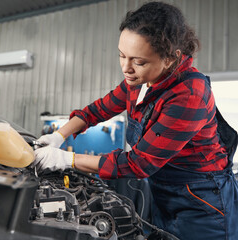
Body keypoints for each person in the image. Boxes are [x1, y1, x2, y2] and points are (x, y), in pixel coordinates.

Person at [33, 2, 238, 239]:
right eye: (122, 56)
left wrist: (67, 159)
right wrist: (59, 135)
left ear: (171, 58)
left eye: (139, 61)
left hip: (204, 205)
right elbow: (97, 110)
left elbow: (140, 163)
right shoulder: (140, 81)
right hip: (164, 194)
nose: (126, 68)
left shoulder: (189, 94)